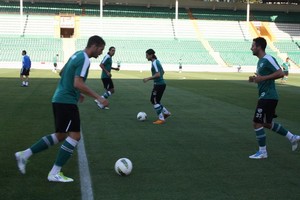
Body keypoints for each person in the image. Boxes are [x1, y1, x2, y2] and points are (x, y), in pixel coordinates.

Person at [15, 35, 108, 182]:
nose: (101, 52)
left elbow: (63, 72)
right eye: (101, 49)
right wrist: (99, 97)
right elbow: (77, 83)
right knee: (75, 136)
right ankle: (54, 173)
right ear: (94, 46)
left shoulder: (76, 54)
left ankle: (24, 155)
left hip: (60, 98)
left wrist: (77, 93)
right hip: (66, 101)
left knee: (61, 135)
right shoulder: (84, 59)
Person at [248, 37, 300, 159]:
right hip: (265, 96)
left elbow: (281, 73)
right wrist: (255, 79)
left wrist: (263, 78)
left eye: (253, 46)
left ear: (259, 47)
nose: (251, 48)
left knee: (256, 123)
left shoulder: (268, 59)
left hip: (268, 96)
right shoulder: (260, 61)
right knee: (266, 123)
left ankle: (262, 152)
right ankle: (292, 137)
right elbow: (263, 78)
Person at [143, 49, 171, 125]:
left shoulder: (155, 62)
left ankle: (161, 119)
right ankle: (166, 113)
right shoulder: (156, 61)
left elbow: (158, 74)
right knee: (156, 101)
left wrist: (148, 78)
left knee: (154, 101)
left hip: (159, 85)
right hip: (161, 84)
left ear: (151, 55)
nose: (146, 57)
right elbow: (163, 72)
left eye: (147, 55)